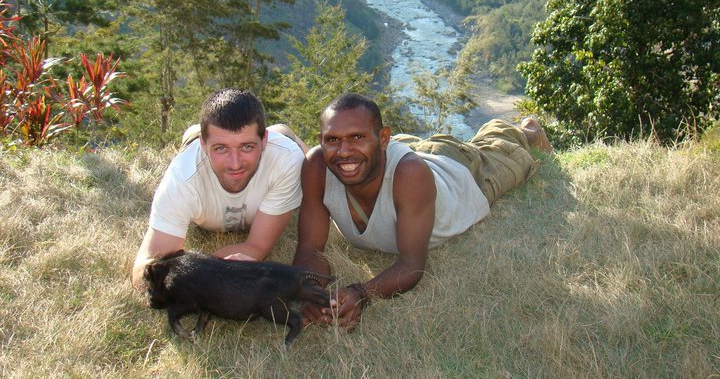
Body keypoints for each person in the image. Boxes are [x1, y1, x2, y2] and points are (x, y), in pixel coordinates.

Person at [292, 93, 553, 328]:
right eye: (333, 140)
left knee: (503, 147)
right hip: (411, 155)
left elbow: (412, 265)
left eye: (357, 137)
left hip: (460, 174)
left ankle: (529, 129)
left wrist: (360, 293)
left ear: (383, 139)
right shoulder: (317, 165)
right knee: (414, 153)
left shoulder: (410, 174)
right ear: (321, 141)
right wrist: (313, 294)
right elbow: (309, 248)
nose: (344, 151)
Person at [131, 88, 308, 288]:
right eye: (221, 148)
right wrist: (208, 272)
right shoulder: (182, 178)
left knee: (304, 157)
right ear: (204, 145)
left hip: (279, 146)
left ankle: (281, 132)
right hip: (196, 157)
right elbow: (142, 273)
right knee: (193, 148)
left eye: (247, 147)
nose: (235, 163)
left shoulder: (287, 160)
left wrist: (199, 271)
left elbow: (257, 246)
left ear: (264, 140)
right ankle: (192, 137)